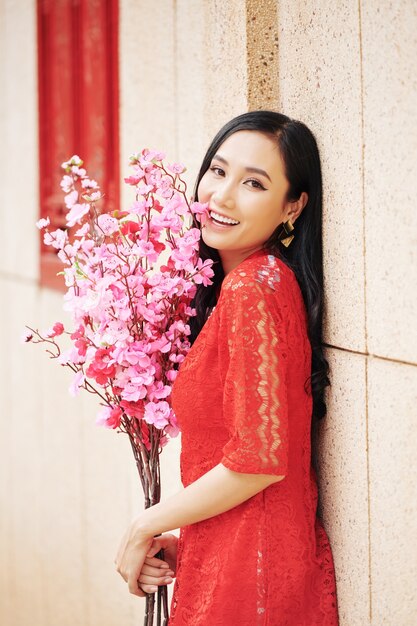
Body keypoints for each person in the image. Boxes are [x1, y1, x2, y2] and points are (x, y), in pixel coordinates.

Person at [115, 110, 340, 625]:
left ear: (293, 206)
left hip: (249, 576)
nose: (222, 196)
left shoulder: (253, 288)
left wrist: (144, 524)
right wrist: (188, 536)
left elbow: (257, 460)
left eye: (253, 183)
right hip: (240, 552)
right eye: (217, 171)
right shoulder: (259, 284)